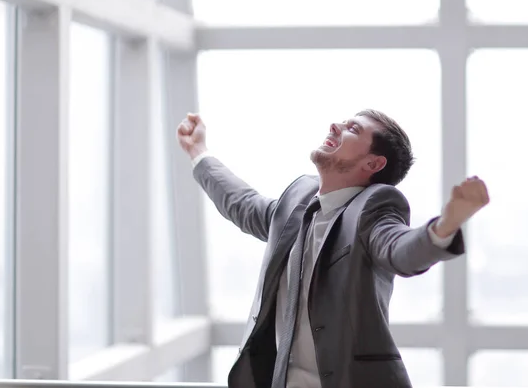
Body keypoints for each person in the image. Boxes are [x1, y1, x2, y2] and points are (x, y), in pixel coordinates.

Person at [177, 109, 489, 388]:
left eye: (353, 128)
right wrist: (199, 152)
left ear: (373, 163)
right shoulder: (297, 201)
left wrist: (445, 226)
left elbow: (400, 250)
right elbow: (244, 204)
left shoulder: (374, 208)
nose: (335, 126)